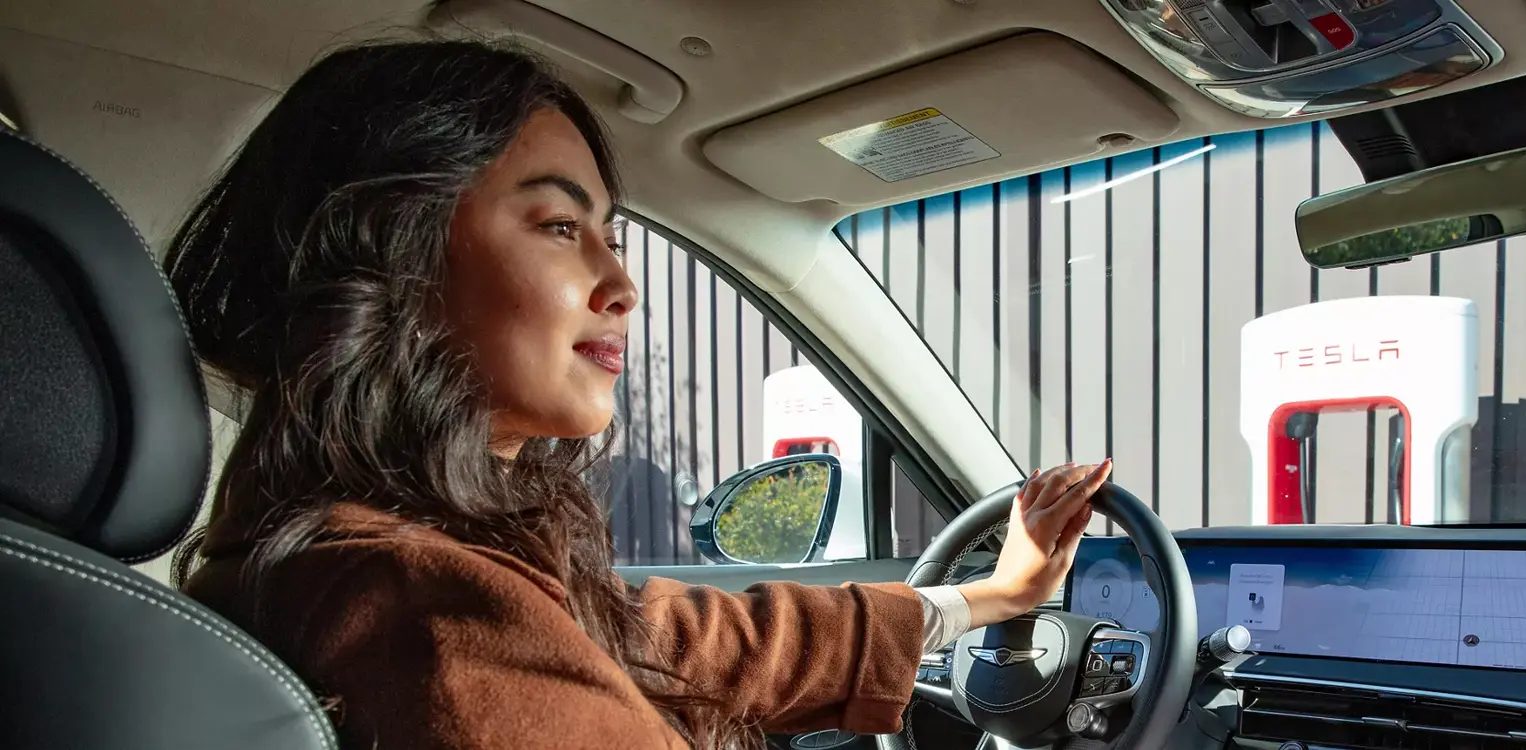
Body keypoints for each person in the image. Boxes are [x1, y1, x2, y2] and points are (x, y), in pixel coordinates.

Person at [162, 39, 1114, 750]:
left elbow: (695, 640)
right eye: (556, 224)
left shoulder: (385, 560)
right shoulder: (427, 615)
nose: (622, 284)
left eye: (610, 232)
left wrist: (994, 596)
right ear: (389, 253)